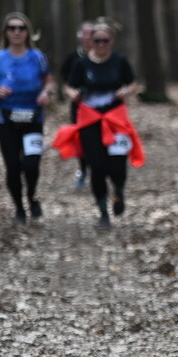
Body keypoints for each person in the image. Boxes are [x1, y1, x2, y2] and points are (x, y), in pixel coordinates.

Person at [53, 22, 144, 230]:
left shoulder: (119, 61)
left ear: (111, 41)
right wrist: (72, 94)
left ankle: (118, 191)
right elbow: (69, 85)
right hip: (90, 120)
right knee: (97, 167)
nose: (101, 44)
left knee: (118, 166)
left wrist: (126, 91)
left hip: (115, 119)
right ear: (90, 41)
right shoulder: (82, 63)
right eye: (97, 41)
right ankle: (103, 213)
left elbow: (132, 82)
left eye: (105, 40)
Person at [0, 12, 54, 224]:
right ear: (5, 32)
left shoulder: (37, 57)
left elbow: (49, 82)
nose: (16, 32)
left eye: (21, 28)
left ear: (27, 32)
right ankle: (19, 209)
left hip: (33, 118)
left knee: (31, 164)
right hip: (6, 120)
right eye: (12, 28)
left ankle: (32, 196)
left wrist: (46, 93)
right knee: (13, 166)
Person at [59, 20, 95, 190]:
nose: (88, 37)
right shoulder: (73, 57)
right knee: (81, 139)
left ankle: (100, 171)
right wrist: (72, 93)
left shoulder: (103, 55)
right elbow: (66, 82)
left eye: (91, 33)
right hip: (79, 106)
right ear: (79, 35)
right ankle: (83, 171)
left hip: (100, 107)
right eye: (85, 33)